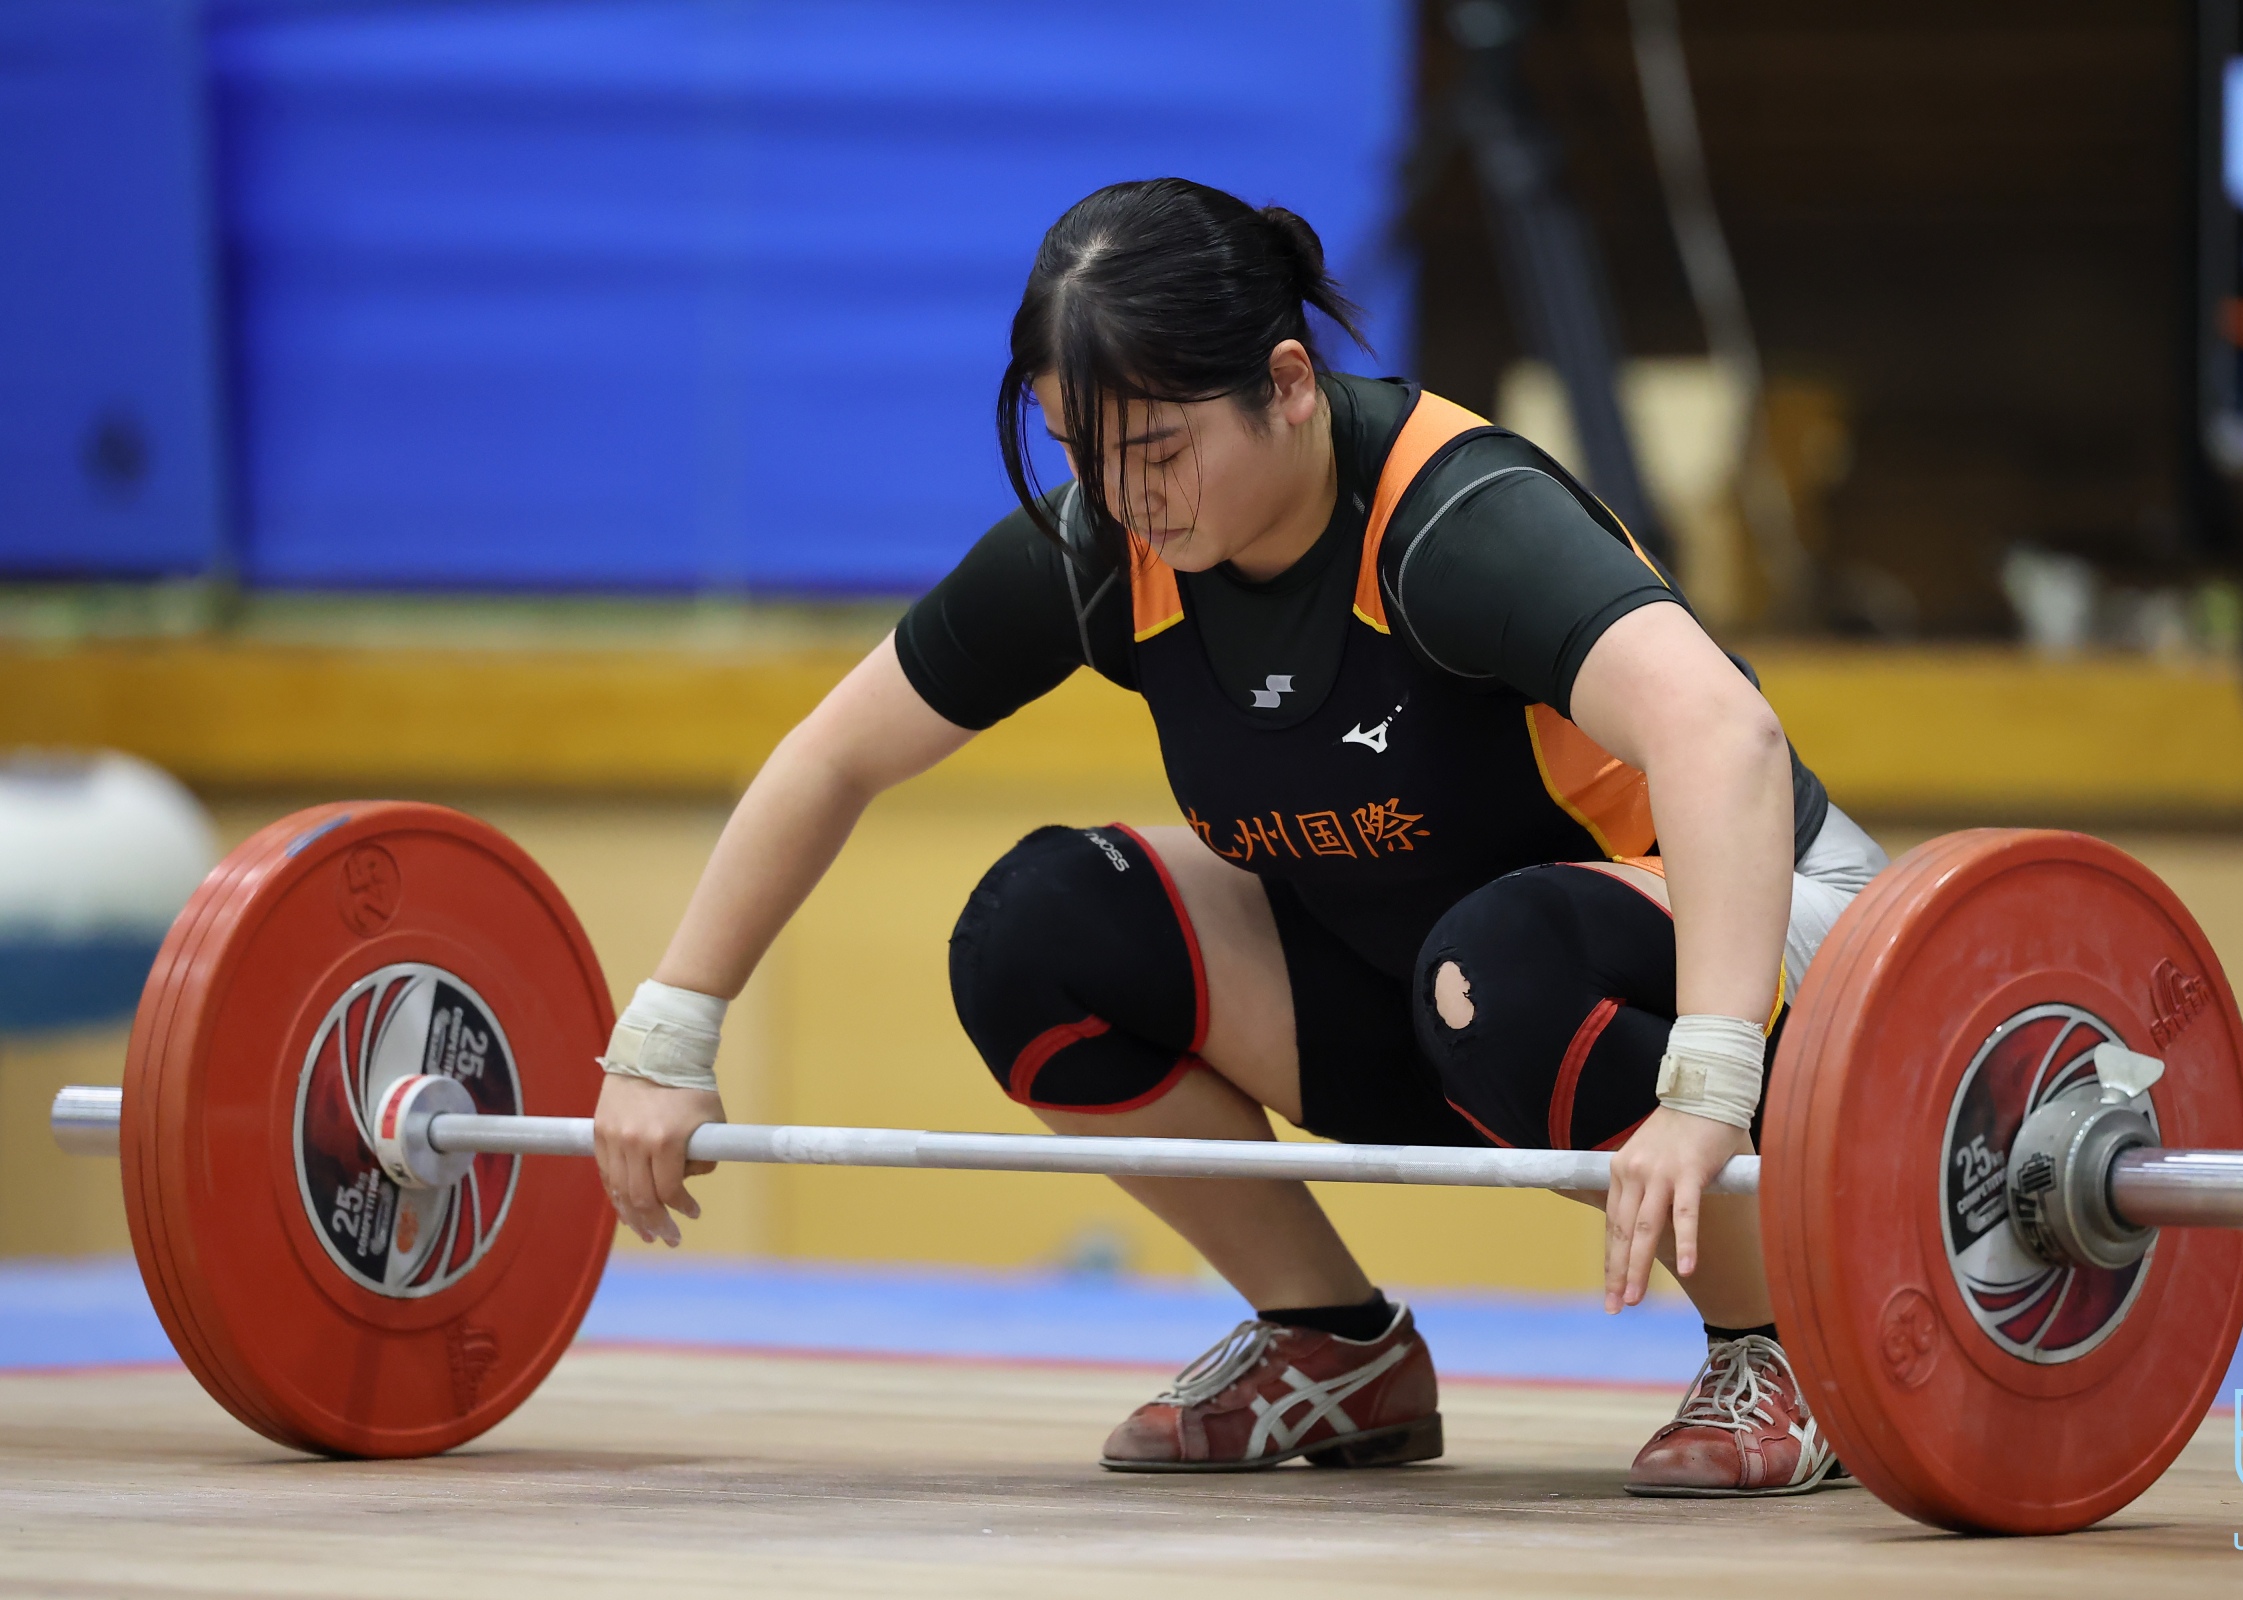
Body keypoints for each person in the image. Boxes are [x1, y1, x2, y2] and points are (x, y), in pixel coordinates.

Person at [592, 178, 1888, 1494]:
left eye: (1157, 450)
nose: (1123, 496)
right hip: (1445, 993)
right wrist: (667, 1033)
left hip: (1771, 965)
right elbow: (834, 754)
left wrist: (1710, 1080)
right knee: (1035, 930)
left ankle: (1789, 1345)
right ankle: (1333, 1346)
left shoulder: (1451, 520)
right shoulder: (1116, 542)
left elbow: (1726, 737)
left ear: (1288, 384)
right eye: (1081, 449)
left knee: (1498, 960)